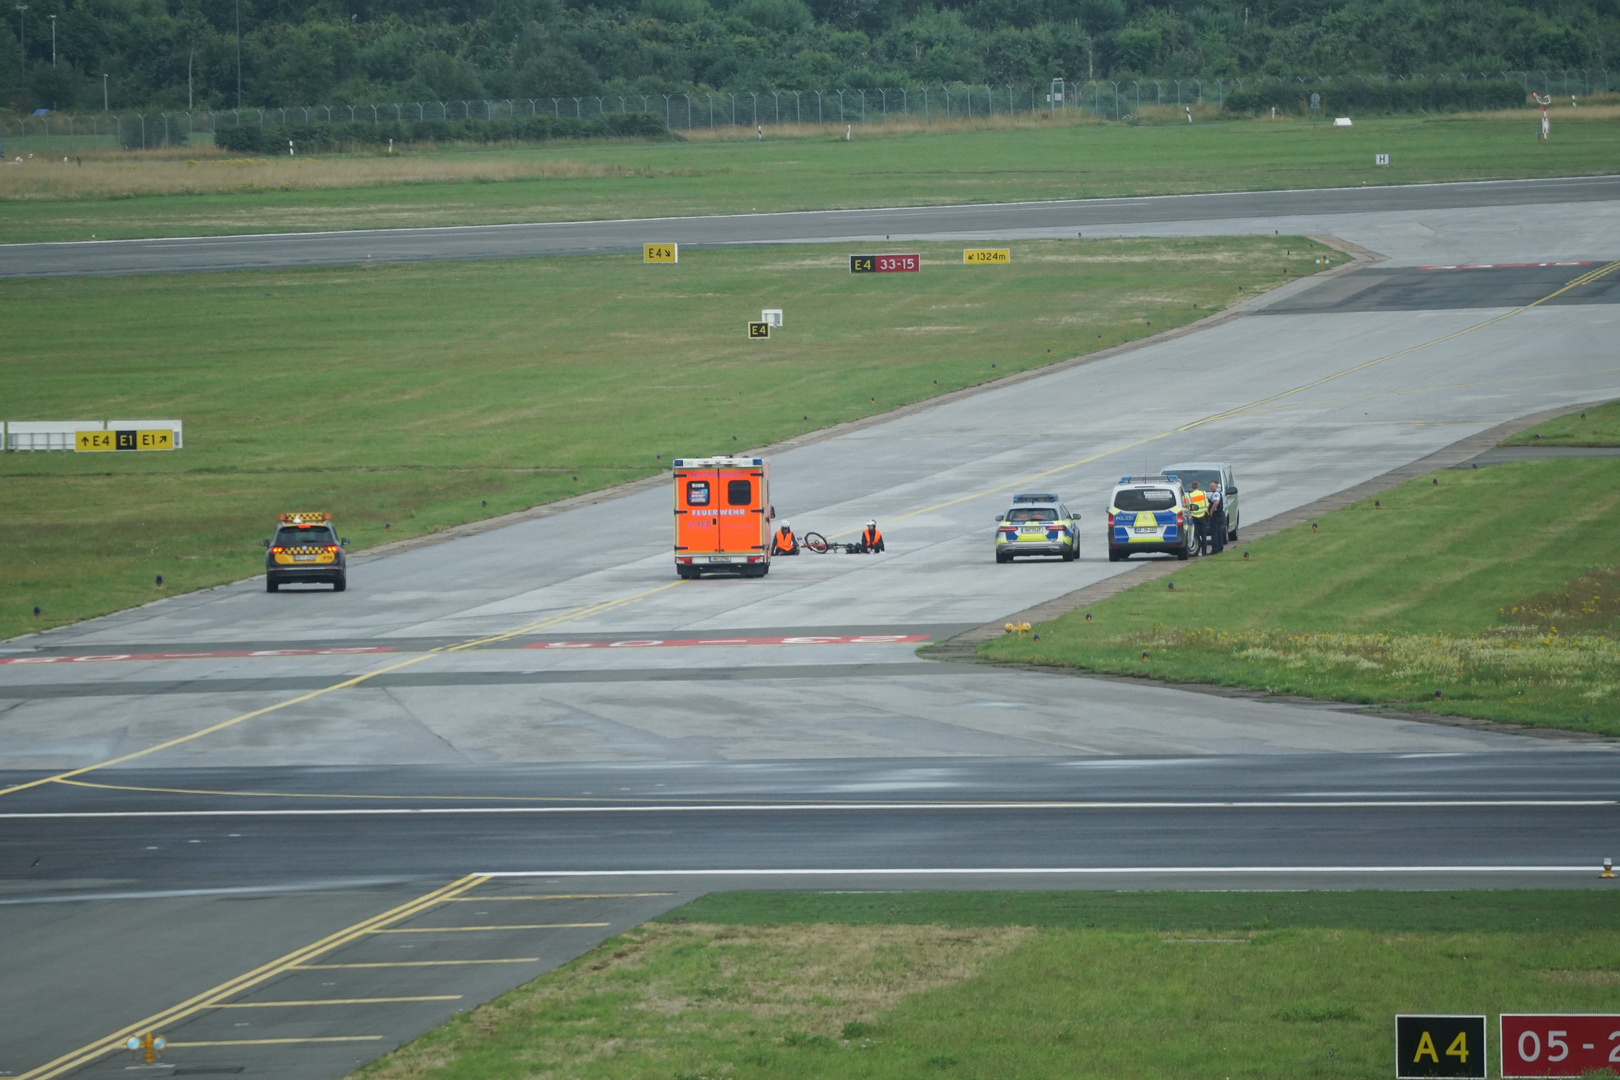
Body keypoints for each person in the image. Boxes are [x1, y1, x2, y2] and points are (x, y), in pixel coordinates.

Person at [1184, 482, 1209, 555]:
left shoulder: (1189, 496)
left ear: (1192, 487)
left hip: (1194, 517)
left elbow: (1187, 506)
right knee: (1204, 535)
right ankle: (1204, 552)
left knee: (1196, 535)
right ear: (1198, 486)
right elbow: (1207, 503)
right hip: (1203, 516)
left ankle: (1196, 550)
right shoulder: (1203, 493)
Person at [1206, 481, 1227, 555]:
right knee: (1219, 532)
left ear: (1216, 486)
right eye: (1210, 486)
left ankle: (1215, 549)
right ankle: (1220, 548)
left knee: (1214, 533)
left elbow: (1216, 502)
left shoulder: (1216, 494)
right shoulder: (1215, 494)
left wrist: (1211, 510)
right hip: (1219, 516)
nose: (1211, 487)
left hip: (1216, 516)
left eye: (1212, 486)